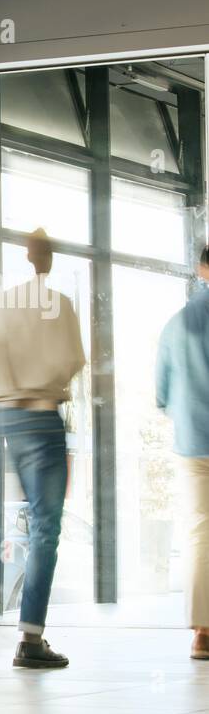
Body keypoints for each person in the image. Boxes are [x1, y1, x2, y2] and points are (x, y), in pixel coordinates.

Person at [0, 229, 84, 669]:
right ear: (46, 257)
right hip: (40, 416)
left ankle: (10, 614)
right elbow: (73, 363)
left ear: (27, 255)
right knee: (45, 527)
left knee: (2, 521)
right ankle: (30, 638)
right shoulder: (60, 305)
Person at [156, 244, 209, 661]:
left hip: (193, 445)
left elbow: (160, 395)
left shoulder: (176, 324)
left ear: (201, 269)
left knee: (199, 535)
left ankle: (202, 633)